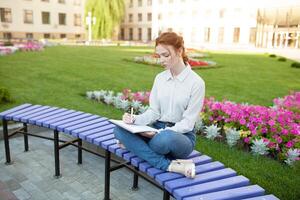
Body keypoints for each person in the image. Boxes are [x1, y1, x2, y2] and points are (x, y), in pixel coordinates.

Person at [114, 32, 205, 178]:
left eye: (166, 55)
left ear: (179, 51)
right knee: (119, 130)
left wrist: (158, 133)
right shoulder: (160, 78)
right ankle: (170, 166)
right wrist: (135, 120)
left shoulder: (196, 83)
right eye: (159, 56)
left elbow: (188, 123)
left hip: (181, 137)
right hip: (156, 129)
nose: (161, 60)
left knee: (163, 140)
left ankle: (136, 146)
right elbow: (154, 112)